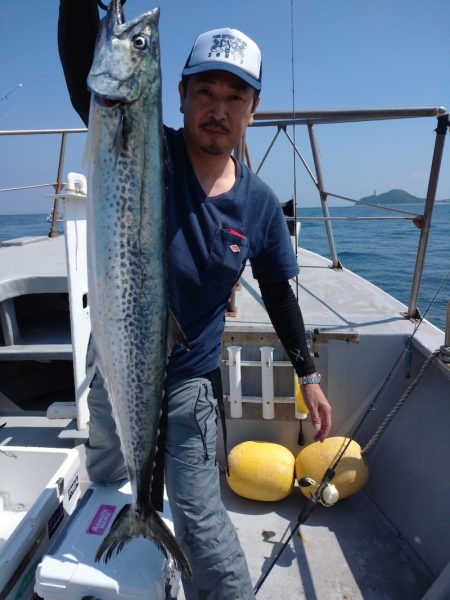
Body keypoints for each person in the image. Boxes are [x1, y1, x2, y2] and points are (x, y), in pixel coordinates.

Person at [58, 2, 332, 598]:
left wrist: (308, 373)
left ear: (253, 111)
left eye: (236, 97)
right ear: (177, 96)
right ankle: (111, 533)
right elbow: (88, 71)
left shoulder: (258, 204)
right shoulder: (143, 149)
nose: (218, 108)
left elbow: (281, 295)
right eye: (205, 90)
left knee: (203, 525)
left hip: (187, 383)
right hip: (116, 360)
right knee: (105, 473)